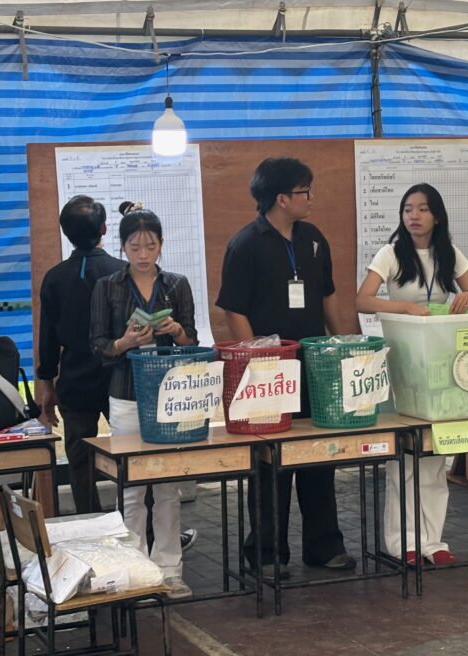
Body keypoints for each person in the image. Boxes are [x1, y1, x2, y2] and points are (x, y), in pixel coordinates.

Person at [217, 157, 354, 577]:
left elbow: (327, 294)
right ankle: (265, 554)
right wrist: (257, 359)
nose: (311, 198)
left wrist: (342, 344)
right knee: (268, 464)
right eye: (303, 191)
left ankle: (324, 545)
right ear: (280, 199)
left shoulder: (313, 238)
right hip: (267, 373)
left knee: (318, 454)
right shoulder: (246, 244)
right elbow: (232, 309)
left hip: (313, 365)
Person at [356, 183, 468, 566]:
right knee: (405, 456)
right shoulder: (391, 253)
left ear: (437, 215)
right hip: (402, 362)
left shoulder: (450, 254)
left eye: (422, 209)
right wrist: (404, 308)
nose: (414, 215)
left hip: (442, 363)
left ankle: (433, 541)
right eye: (408, 209)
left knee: (433, 453)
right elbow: (362, 299)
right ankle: (402, 542)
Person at [89, 201, 199, 597]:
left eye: (150, 246)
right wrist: (126, 342)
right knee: (132, 486)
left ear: (161, 246)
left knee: (168, 485)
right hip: (126, 392)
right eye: (134, 247)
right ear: (122, 248)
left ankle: (169, 568)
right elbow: (98, 345)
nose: (142, 254)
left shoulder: (176, 284)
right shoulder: (108, 287)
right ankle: (132, 568)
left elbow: (193, 340)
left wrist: (176, 331)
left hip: (171, 393)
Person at [36, 195, 126, 514]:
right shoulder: (124, 273)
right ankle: (136, 524)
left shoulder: (55, 278)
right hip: (120, 381)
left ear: (66, 233)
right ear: (104, 229)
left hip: (75, 382)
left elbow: (47, 338)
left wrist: (46, 383)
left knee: (80, 463)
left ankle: (90, 525)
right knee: (129, 453)